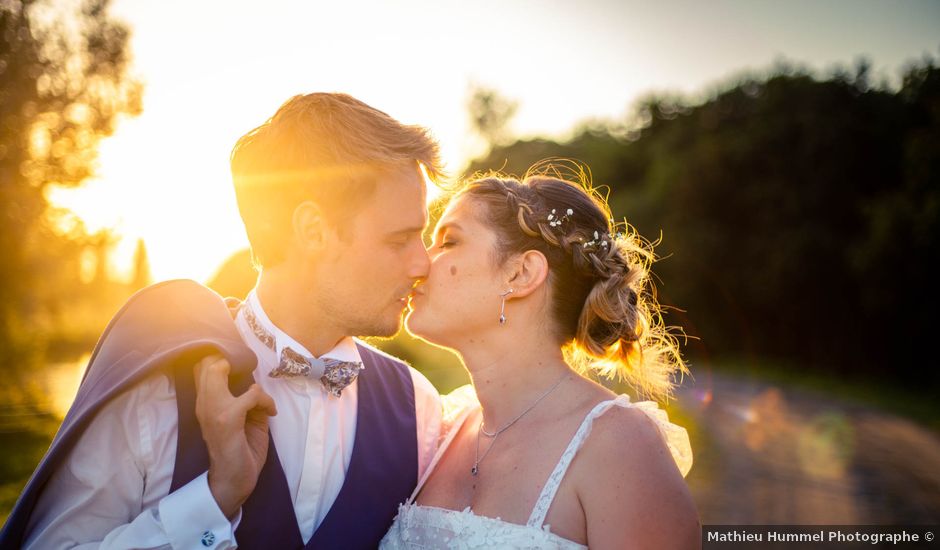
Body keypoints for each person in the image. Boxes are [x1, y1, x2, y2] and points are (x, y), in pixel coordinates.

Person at [4, 93, 445, 549]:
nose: (422, 263)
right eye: (400, 240)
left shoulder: (420, 408)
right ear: (313, 231)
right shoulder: (156, 383)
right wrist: (212, 501)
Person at [380, 165, 700, 549]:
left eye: (448, 242)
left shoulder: (618, 446)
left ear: (521, 273)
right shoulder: (440, 429)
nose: (418, 264)